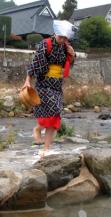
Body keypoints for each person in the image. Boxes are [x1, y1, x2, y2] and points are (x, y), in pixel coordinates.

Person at [21, 20, 76, 157]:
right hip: (44, 84)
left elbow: (69, 65)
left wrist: (72, 55)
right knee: (53, 110)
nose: (62, 40)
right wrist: (28, 80)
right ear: (55, 33)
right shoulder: (46, 44)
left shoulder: (66, 47)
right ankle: (38, 130)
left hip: (57, 84)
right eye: (60, 37)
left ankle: (45, 147)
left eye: (65, 38)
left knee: (56, 114)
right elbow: (35, 63)